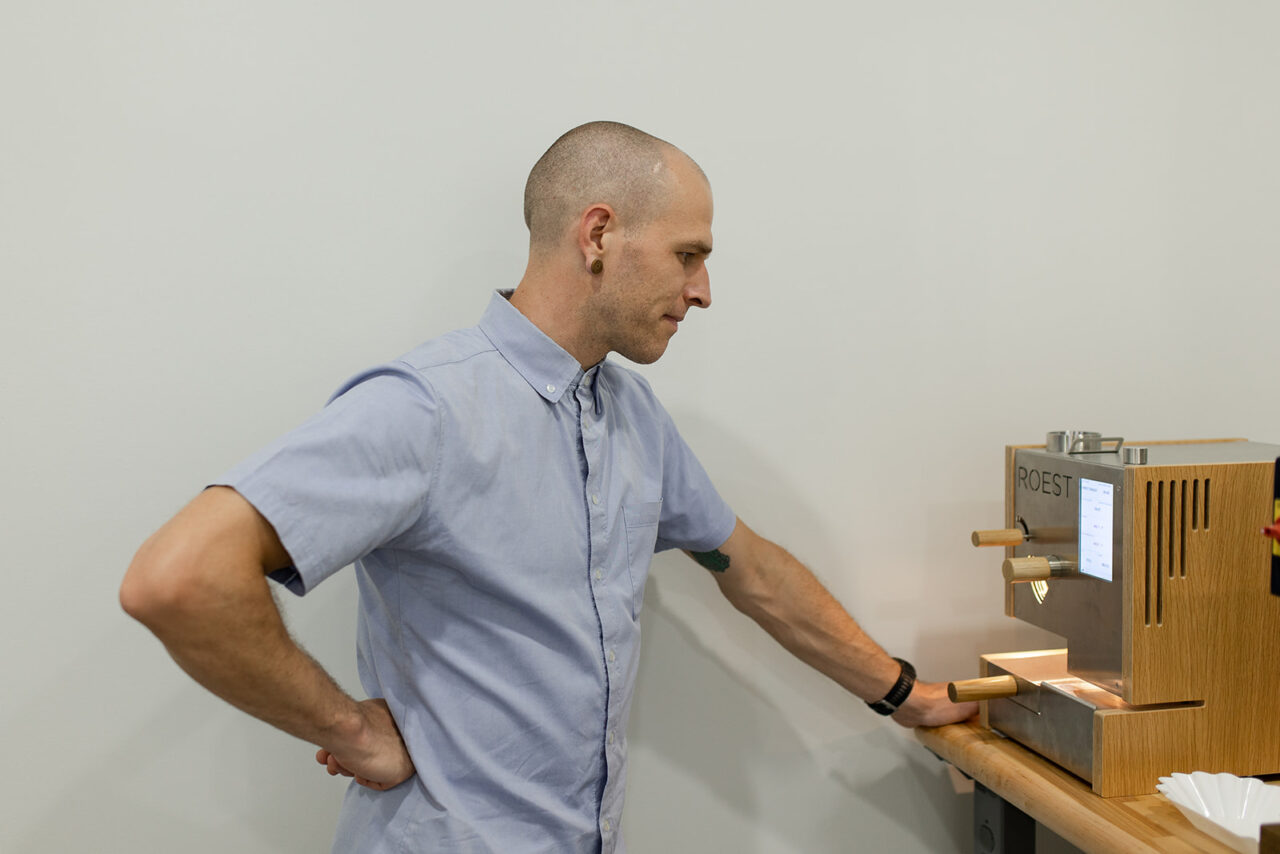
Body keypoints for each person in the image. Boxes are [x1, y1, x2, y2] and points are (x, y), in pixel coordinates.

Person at [120, 121, 976, 854]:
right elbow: (178, 577)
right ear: (598, 233)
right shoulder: (429, 407)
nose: (703, 292)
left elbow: (752, 570)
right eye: (689, 255)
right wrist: (349, 729)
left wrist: (906, 696)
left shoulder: (630, 415)